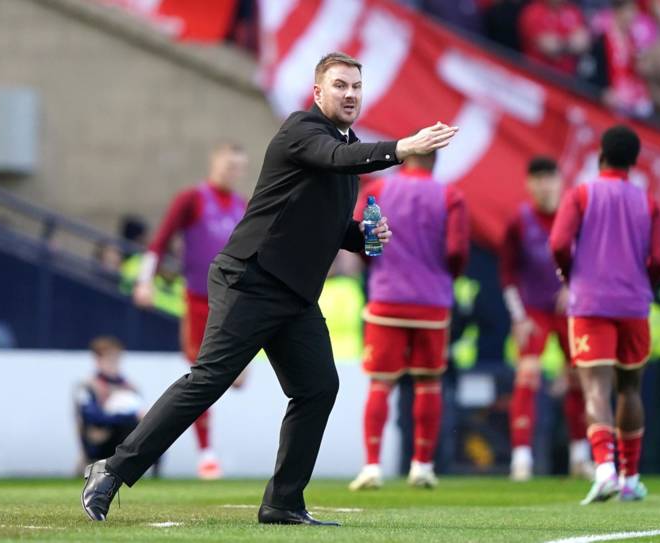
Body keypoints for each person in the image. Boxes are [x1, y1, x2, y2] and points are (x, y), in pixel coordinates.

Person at [81, 51, 459, 525]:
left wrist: (363, 236)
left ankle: (282, 502)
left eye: (357, 86)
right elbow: (336, 158)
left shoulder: (347, 145)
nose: (350, 94)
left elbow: (329, 219)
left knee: (318, 387)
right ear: (318, 92)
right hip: (251, 278)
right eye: (340, 85)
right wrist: (402, 147)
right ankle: (111, 470)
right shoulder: (302, 130)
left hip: (293, 294)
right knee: (209, 380)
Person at [550, 125, 660, 504]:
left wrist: (571, 274)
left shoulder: (581, 194)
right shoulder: (648, 201)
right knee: (630, 389)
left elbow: (558, 242)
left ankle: (604, 470)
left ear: (600, 154)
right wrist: (642, 281)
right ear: (635, 162)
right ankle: (631, 478)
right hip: (634, 305)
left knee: (596, 388)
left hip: (590, 304)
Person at [348, 151, 469, 491]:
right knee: (428, 384)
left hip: (386, 299)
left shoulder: (379, 190)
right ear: (435, 161)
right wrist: (445, 278)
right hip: (432, 303)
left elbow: (363, 238)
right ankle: (422, 465)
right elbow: (458, 250)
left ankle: (372, 465)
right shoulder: (451, 195)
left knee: (380, 384)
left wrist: (378, 269)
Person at [132, 141, 248, 479]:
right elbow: (161, 239)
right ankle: (206, 453)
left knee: (233, 380)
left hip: (234, 303)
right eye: (228, 166)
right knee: (203, 376)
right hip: (199, 300)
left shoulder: (242, 205)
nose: (233, 173)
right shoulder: (193, 199)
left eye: (238, 168)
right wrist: (145, 281)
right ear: (214, 163)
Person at [500, 157, 592, 482]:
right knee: (527, 379)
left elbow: (592, 264)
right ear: (529, 184)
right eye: (537, 179)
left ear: (560, 181)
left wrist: (575, 288)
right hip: (534, 314)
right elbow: (508, 274)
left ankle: (580, 457)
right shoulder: (519, 222)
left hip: (571, 312)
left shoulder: (578, 219)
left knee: (580, 381)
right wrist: (518, 316)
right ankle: (521, 459)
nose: (544, 186)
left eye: (549, 178)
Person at [76, 337, 146, 466]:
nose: (114, 363)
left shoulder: (129, 386)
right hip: (102, 440)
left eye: (116, 359)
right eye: (109, 359)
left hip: (127, 435)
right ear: (98, 360)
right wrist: (129, 417)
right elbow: (94, 417)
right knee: (126, 428)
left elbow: (141, 413)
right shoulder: (88, 386)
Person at [518, 0, 591, 76]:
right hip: (535, 76)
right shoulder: (533, 11)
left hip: (565, 79)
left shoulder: (573, 11)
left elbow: (583, 43)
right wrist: (570, 43)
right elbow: (550, 48)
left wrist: (562, 44)